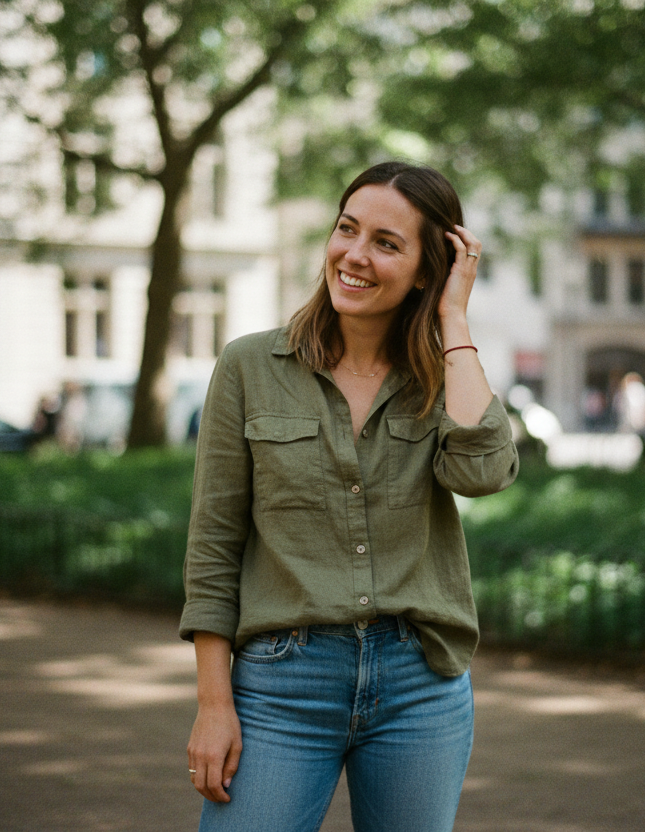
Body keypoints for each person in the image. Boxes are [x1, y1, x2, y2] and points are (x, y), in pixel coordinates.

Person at [179, 161, 519, 832]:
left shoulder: (444, 379)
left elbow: (483, 472)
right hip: (280, 685)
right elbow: (214, 545)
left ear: (427, 269)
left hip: (419, 686)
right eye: (346, 230)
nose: (354, 256)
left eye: (386, 243)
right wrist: (214, 704)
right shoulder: (249, 367)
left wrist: (454, 315)